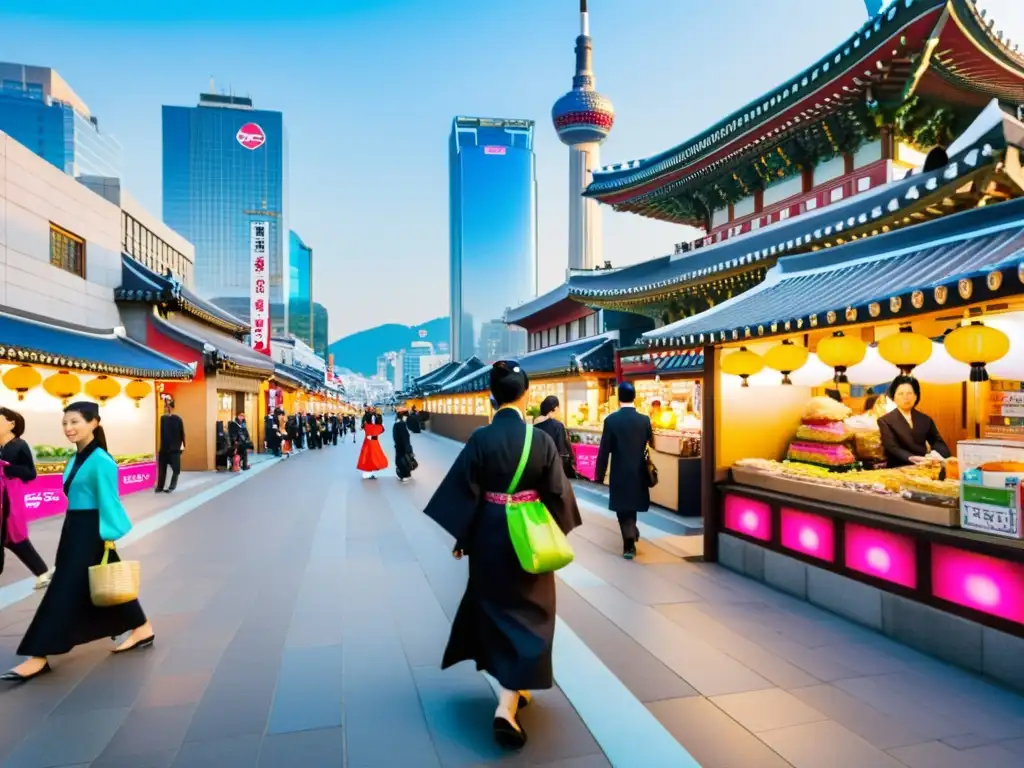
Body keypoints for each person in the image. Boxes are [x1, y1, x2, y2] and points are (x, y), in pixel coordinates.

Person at [423, 361, 582, 749]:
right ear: (525, 396)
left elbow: (465, 491)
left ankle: (511, 690)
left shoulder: (480, 439)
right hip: (527, 536)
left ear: (491, 397)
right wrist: (554, 528)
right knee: (533, 613)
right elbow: (558, 493)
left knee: (493, 609)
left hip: (490, 535)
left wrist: (464, 537)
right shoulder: (540, 440)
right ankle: (506, 707)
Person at [3, 401, 154, 683]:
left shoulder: (101, 460)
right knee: (103, 580)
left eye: (75, 422)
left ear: (94, 423)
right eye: (65, 423)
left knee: (63, 588)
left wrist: (108, 536)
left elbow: (110, 501)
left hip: (91, 530)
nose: (69, 428)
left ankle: (38, 654)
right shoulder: (77, 458)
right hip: (74, 527)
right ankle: (142, 626)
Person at [595, 381, 654, 560]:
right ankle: (632, 530)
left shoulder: (611, 421)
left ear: (618, 398)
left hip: (619, 470)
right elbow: (651, 442)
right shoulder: (644, 420)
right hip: (638, 471)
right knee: (632, 505)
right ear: (634, 397)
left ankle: (628, 543)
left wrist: (599, 474)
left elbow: (604, 449)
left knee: (622, 508)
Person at [0, 407, 53, 589]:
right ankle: (42, 571)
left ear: (11, 424)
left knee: (16, 538)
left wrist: (7, 468)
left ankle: (42, 571)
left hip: (10, 498)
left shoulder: (19, 445)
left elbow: (30, 473)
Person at [877, 375, 950, 468]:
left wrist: (942, 456)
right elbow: (892, 447)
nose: (905, 397)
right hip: (897, 468)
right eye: (900, 394)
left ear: (916, 396)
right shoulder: (885, 420)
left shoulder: (925, 419)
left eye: (909, 393)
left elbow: (937, 442)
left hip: (923, 466)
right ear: (893, 397)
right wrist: (910, 457)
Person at [533, 396, 577, 479]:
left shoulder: (535, 424)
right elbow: (561, 452)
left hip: (536, 465)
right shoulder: (558, 426)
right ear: (555, 408)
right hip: (552, 467)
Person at [155, 399, 185, 492]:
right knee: (164, 469)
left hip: (171, 448)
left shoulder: (176, 419)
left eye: (166, 406)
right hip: (167, 448)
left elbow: (182, 434)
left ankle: (168, 487)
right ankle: (162, 486)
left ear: (170, 407)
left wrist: (182, 447)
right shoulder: (163, 419)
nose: (165, 408)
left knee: (173, 469)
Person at [357, 404, 388, 479]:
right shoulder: (376, 425)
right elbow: (381, 429)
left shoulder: (367, 425)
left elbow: (364, 426)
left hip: (369, 440)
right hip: (373, 441)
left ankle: (368, 472)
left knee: (369, 456)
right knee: (372, 456)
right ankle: (368, 472)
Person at [393, 410, 416, 482]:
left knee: (401, 460)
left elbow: (396, 437)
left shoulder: (397, 424)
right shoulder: (402, 425)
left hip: (399, 446)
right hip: (403, 446)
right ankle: (405, 475)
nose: (406, 418)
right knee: (404, 460)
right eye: (406, 416)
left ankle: (405, 474)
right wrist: (409, 449)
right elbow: (405, 438)